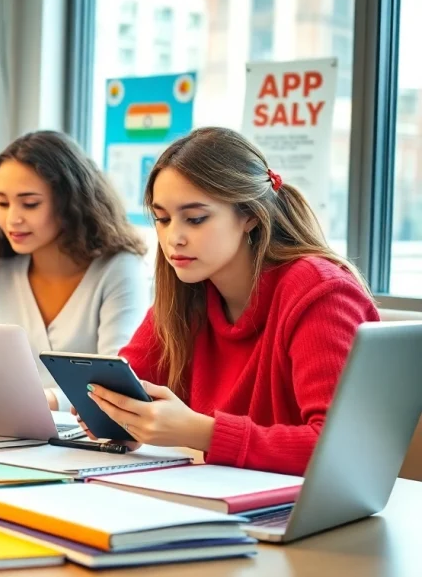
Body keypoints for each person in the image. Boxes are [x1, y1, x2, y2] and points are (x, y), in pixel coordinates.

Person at [81, 127, 378, 476]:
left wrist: (201, 432)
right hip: (218, 495)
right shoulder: (187, 289)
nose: (173, 237)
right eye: (162, 219)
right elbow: (127, 380)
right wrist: (122, 418)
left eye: (195, 219)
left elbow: (342, 451)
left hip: (307, 511)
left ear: (249, 215)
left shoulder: (320, 292)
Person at [0, 130, 149, 411]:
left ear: (71, 201)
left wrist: (45, 401)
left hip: (90, 439)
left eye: (30, 203)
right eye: (2, 203)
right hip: (9, 430)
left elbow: (120, 381)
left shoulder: (119, 269)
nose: (12, 218)